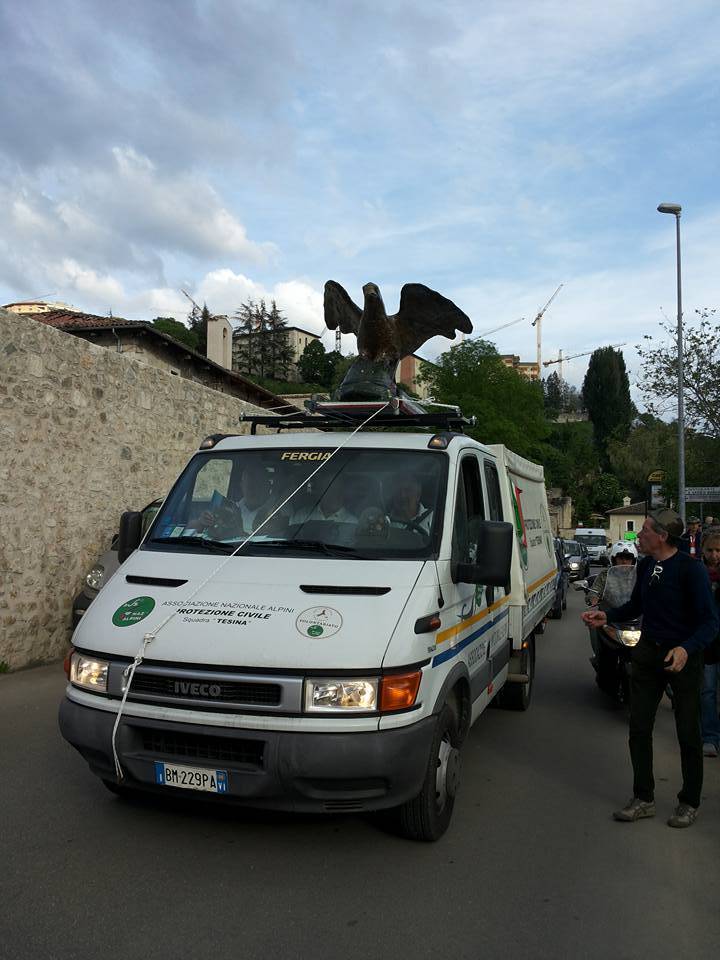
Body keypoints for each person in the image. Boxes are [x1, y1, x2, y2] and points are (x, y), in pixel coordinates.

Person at [582, 508, 719, 828]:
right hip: (647, 654)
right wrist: (608, 616)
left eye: (643, 531)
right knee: (639, 727)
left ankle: (689, 801)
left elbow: (710, 623)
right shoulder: (645, 566)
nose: (637, 536)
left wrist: (686, 649)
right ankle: (643, 797)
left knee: (688, 732)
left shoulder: (691, 570)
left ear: (661, 536)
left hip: (682, 659)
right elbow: (637, 606)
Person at [700, 526, 720, 757]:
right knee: (707, 691)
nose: (715, 555)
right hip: (706, 643)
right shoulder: (697, 574)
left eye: (718, 550)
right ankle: (710, 737)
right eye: (711, 550)